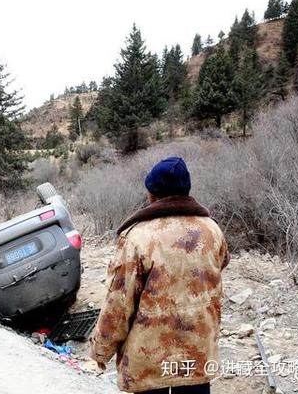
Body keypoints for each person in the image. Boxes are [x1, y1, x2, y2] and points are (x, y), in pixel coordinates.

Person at [89, 157, 229, 394]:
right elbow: (221, 264)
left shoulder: (137, 238)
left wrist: (100, 351)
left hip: (150, 365)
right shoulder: (212, 230)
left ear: (152, 194)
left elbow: (120, 304)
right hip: (197, 359)